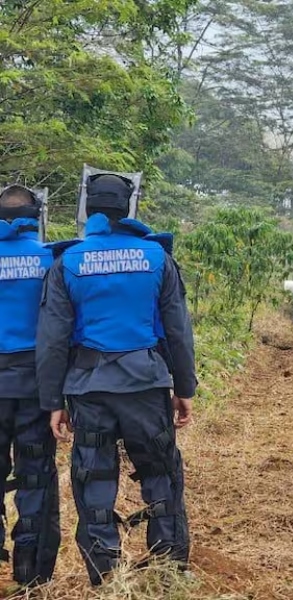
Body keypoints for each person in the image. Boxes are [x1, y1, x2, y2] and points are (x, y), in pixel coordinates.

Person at [35, 173, 197, 586]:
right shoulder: (157, 257)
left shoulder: (67, 262)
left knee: (93, 478)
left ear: (89, 209)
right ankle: (168, 569)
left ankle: (105, 576)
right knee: (161, 473)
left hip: (89, 391)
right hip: (146, 385)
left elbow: (52, 340)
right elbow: (178, 329)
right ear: (127, 208)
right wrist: (184, 388)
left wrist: (53, 401)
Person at [0, 184, 60, 588]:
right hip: (34, 386)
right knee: (35, 477)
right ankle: (29, 579)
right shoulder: (52, 260)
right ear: (35, 215)